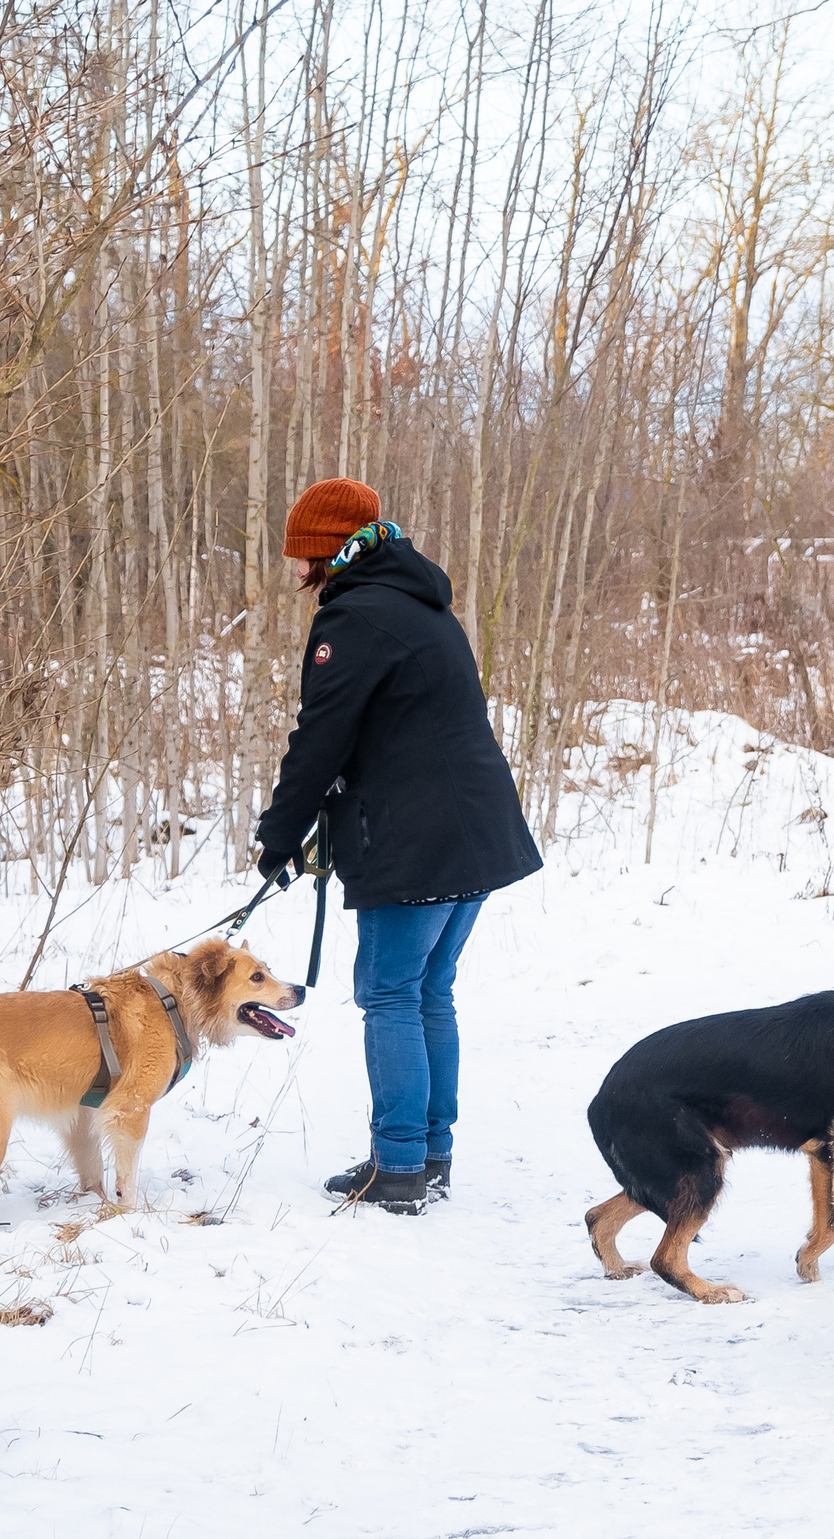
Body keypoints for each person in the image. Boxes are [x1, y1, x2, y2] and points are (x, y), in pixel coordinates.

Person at [255, 478, 542, 1216]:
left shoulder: (352, 620)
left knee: (389, 992)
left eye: (298, 551)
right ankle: (429, 1154)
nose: (292, 566)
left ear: (324, 549)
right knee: (425, 991)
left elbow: (318, 740)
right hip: (474, 832)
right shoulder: (418, 601)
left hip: (420, 841)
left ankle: (401, 1166)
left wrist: (278, 835)